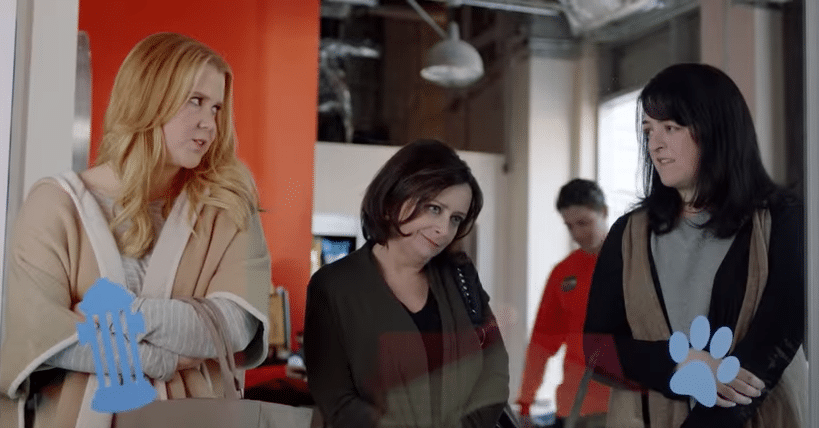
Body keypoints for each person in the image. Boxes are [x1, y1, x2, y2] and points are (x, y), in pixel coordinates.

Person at [0, 32, 271, 428]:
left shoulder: (226, 206)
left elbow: (232, 326)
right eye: (195, 101)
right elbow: (42, 337)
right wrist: (161, 359)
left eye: (216, 108)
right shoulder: (55, 205)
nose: (208, 124)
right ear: (147, 98)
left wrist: (110, 318)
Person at [583, 63, 805, 427]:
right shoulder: (628, 233)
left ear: (716, 130)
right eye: (648, 130)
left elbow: (775, 339)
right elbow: (596, 349)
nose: (655, 144)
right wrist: (678, 364)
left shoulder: (783, 220)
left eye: (670, 128)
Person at [303, 139, 510, 428]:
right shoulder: (332, 287)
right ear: (394, 197)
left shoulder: (460, 274)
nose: (443, 230)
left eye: (456, 218)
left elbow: (494, 366)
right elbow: (337, 401)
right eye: (435, 209)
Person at [516, 179, 610, 428]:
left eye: (584, 223)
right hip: (573, 408)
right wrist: (526, 401)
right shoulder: (564, 273)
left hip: (622, 404)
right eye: (570, 226)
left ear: (604, 212)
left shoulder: (633, 263)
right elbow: (541, 342)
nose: (578, 234)